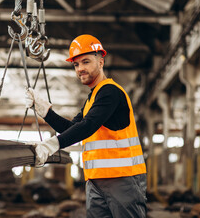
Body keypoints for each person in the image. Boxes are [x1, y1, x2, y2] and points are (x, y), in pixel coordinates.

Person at [25, 34, 147, 218]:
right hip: (95, 180)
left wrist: (50, 145)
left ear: (101, 62)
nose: (80, 69)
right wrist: (44, 111)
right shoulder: (93, 98)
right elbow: (72, 128)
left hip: (122, 179)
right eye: (76, 64)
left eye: (86, 62)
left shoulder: (110, 92)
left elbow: (88, 126)